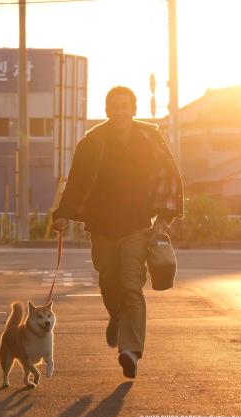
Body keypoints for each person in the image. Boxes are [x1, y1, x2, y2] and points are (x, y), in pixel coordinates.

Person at [51, 86, 183, 379]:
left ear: (134, 109)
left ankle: (130, 351)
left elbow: (168, 175)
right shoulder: (93, 142)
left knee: (131, 286)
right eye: (115, 106)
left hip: (138, 226)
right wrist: (62, 214)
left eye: (126, 106)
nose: (121, 111)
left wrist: (164, 216)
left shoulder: (150, 138)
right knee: (109, 282)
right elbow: (76, 182)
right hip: (101, 228)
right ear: (107, 110)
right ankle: (117, 318)